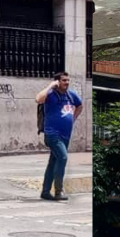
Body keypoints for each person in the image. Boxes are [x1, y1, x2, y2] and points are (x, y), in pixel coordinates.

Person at [35, 72, 83, 201]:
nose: (66, 83)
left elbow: (79, 105)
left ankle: (45, 191)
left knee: (53, 162)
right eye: (63, 80)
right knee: (62, 157)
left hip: (65, 135)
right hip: (52, 134)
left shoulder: (71, 95)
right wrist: (51, 85)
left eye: (68, 80)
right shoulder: (50, 94)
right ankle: (59, 191)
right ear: (57, 82)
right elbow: (38, 99)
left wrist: (73, 118)